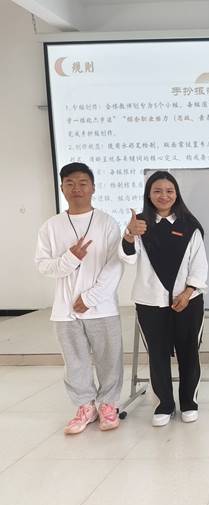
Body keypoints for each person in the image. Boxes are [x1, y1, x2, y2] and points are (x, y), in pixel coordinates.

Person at [35, 162, 124, 434]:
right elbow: (43, 266)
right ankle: (85, 406)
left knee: (109, 359)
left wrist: (90, 298)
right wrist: (71, 258)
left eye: (83, 183)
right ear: (62, 188)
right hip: (65, 310)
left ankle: (108, 405)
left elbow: (115, 266)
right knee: (75, 362)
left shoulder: (107, 223)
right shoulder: (51, 227)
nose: (77, 188)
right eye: (70, 183)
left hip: (102, 307)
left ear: (93, 187)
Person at [120, 171, 208, 427]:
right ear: (149, 195)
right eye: (157, 191)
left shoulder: (190, 225)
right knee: (157, 356)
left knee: (189, 353)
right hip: (150, 301)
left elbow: (199, 264)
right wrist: (129, 234)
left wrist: (188, 292)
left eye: (169, 191)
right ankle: (164, 405)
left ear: (176, 194)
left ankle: (189, 403)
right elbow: (127, 258)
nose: (164, 195)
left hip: (188, 301)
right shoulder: (140, 225)